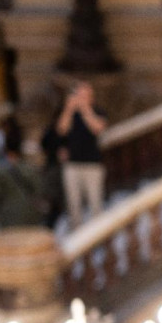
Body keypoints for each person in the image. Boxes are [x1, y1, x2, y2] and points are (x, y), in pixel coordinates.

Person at [0, 118, 45, 231]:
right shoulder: (29, 169)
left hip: (9, 220)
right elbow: (39, 191)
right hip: (31, 218)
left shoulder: (0, 173)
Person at [57, 81, 108, 228]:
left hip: (93, 165)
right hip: (72, 165)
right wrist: (68, 108)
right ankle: (77, 240)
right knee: (73, 205)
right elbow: (61, 129)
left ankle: (98, 237)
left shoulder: (98, 111)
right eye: (79, 95)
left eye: (85, 95)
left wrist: (85, 109)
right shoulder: (70, 113)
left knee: (95, 203)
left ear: (92, 97)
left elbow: (97, 128)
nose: (82, 98)